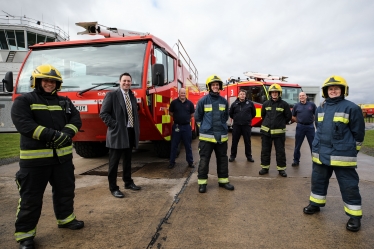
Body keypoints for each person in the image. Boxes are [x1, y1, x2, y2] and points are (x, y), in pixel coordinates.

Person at [11, 64, 84, 249]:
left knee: (65, 192)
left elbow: (76, 119)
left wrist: (66, 134)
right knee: (30, 198)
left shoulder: (65, 102)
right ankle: (25, 235)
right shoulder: (23, 101)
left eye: (53, 81)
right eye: (46, 80)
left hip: (63, 160)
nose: (49, 84)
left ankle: (66, 219)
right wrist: (54, 136)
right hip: (34, 163)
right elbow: (24, 125)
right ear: (37, 81)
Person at [303, 76, 365, 232]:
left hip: (342, 155)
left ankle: (354, 216)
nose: (333, 91)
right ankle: (315, 204)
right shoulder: (321, 108)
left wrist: (351, 150)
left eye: (337, 88)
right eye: (330, 89)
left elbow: (358, 134)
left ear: (343, 90)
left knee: (349, 185)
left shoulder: (352, 108)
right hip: (321, 153)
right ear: (325, 91)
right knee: (318, 181)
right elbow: (318, 127)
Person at [100, 72, 141, 198]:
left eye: (129, 81)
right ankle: (113, 188)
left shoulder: (132, 96)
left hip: (129, 132)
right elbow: (103, 113)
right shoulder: (112, 95)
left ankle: (128, 182)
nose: (127, 83)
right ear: (119, 81)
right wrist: (115, 125)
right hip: (117, 133)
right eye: (124, 81)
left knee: (128, 160)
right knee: (114, 163)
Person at [195, 75, 234, 193]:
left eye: (217, 85)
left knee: (222, 159)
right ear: (209, 87)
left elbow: (225, 116)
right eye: (213, 85)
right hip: (206, 137)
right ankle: (202, 183)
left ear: (220, 86)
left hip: (221, 136)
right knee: (204, 160)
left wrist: (222, 126)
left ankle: (223, 181)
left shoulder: (223, 101)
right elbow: (198, 117)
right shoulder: (203, 100)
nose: (215, 86)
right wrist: (204, 128)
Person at [259, 83, 292, 177]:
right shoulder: (265, 104)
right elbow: (263, 115)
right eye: (272, 92)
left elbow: (288, 116)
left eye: (276, 92)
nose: (274, 94)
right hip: (266, 132)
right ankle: (264, 168)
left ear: (279, 93)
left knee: (280, 151)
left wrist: (280, 123)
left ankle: (281, 169)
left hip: (279, 133)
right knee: (265, 151)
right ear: (270, 93)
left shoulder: (284, 104)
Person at [168, 88, 195, 169]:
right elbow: (171, 113)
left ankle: (190, 162)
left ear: (185, 94)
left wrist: (185, 119)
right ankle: (172, 162)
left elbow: (192, 114)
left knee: (188, 146)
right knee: (174, 146)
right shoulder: (174, 103)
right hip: (177, 127)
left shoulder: (190, 103)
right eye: (181, 93)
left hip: (186, 127)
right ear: (178, 94)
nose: (182, 94)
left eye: (184, 93)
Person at [229, 89, 256, 162]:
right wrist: (236, 118)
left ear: (245, 95)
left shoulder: (250, 103)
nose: (242, 95)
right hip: (237, 125)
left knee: (247, 142)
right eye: (241, 94)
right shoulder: (234, 104)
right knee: (234, 142)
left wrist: (247, 119)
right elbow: (231, 114)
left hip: (246, 126)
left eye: (243, 94)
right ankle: (232, 156)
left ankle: (249, 156)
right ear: (238, 95)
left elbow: (253, 114)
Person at [291, 92, 317, 166]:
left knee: (313, 145)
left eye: (303, 95)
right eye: (300, 96)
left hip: (310, 127)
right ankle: (296, 161)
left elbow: (317, 114)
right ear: (298, 97)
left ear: (306, 96)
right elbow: (293, 116)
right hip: (300, 127)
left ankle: (315, 161)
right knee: (297, 145)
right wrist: (298, 121)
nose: (301, 97)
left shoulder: (312, 105)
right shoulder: (296, 106)